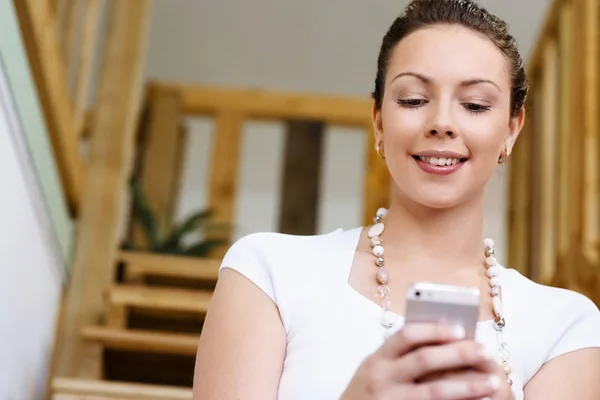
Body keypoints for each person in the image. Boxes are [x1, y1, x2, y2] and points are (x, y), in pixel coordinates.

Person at [192, 0, 600, 399]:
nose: (441, 123)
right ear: (379, 122)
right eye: (413, 100)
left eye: (474, 105)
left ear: (511, 129)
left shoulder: (566, 326)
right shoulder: (269, 274)